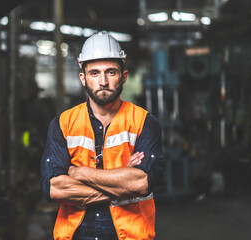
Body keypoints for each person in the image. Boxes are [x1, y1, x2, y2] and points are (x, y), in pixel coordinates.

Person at [40, 31, 164, 240]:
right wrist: (122, 185)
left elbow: (141, 183)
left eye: (111, 72)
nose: (103, 81)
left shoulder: (144, 122)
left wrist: (78, 172)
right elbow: (54, 188)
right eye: (95, 73)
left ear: (123, 76)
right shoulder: (63, 124)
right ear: (83, 78)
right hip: (75, 235)